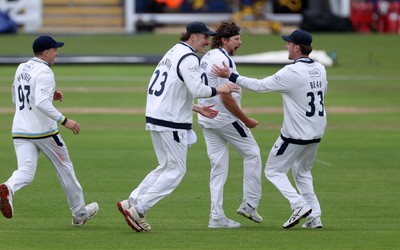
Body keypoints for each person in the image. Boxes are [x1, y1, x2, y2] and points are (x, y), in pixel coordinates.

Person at [117, 21, 239, 232]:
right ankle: (140, 210)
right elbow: (198, 88)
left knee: (165, 166)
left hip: (157, 116)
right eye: (205, 37)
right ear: (193, 37)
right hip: (171, 121)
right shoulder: (189, 57)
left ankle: (133, 201)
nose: (208, 42)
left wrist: (196, 109)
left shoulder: (173, 51)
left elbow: (171, 89)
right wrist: (222, 88)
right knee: (176, 171)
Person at [213, 29, 327, 229]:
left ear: (297, 47)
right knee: (302, 172)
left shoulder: (291, 71)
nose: (286, 46)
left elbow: (259, 86)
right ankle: (315, 216)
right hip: (316, 131)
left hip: (295, 134)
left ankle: (298, 205)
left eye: (289, 43)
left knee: (273, 171)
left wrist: (231, 76)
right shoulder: (320, 68)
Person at [0, 36, 98, 227]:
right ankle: (79, 214)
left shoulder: (22, 67)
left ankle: (8, 188)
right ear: (46, 53)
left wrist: (48, 93)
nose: (57, 53)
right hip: (44, 132)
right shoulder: (45, 72)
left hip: (20, 129)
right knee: (65, 170)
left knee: (25, 172)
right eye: (54, 50)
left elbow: (17, 94)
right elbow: (41, 102)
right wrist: (65, 120)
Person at [198, 21, 262, 228]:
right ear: (224, 40)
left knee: (218, 168)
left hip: (207, 118)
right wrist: (246, 120)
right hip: (225, 119)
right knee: (252, 154)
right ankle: (250, 205)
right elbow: (226, 98)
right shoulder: (223, 61)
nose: (240, 43)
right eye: (236, 39)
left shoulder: (208, 56)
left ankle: (216, 216)